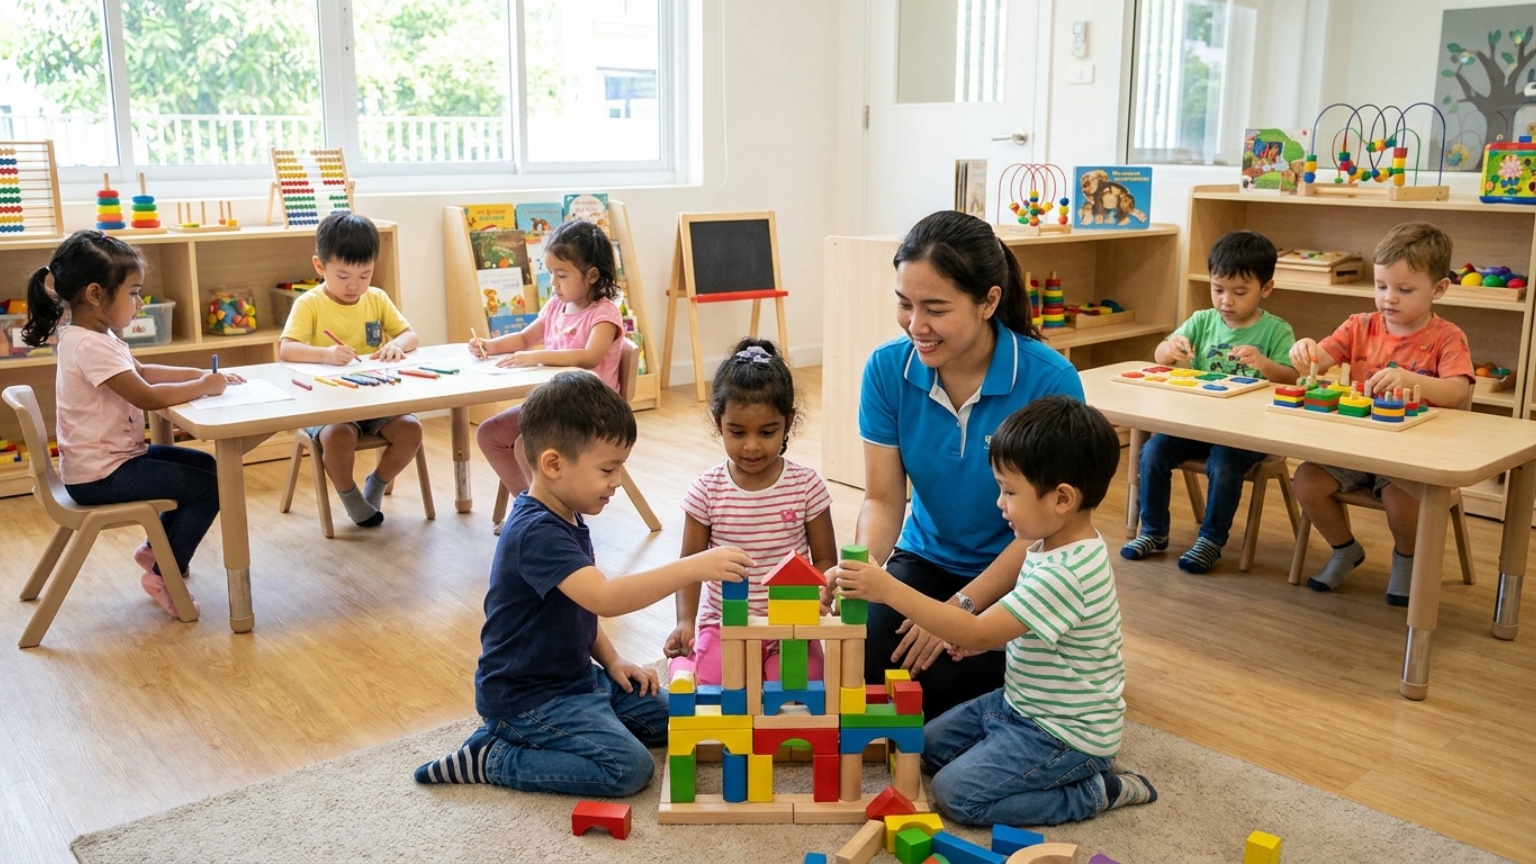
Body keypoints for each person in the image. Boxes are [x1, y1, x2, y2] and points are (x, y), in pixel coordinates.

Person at [413, 371, 751, 796]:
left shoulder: (568, 512)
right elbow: (604, 598)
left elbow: (581, 611)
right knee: (627, 769)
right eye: (608, 469)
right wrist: (694, 566)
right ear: (553, 464)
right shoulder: (536, 531)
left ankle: (588, 713)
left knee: (680, 719)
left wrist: (612, 662)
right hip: (528, 701)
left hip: (577, 679)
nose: (617, 481)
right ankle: (494, 757)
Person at [834, 396, 1156, 826]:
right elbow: (1015, 625)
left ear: (1062, 499)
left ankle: (1094, 789)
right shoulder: (1049, 543)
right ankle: (1071, 767)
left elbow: (979, 632)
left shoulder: (1067, 572)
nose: (1000, 504)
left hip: (1063, 732)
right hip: (1022, 703)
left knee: (957, 796)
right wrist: (980, 638)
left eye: (1009, 492)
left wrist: (889, 589)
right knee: (923, 745)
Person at [852, 209, 1085, 721]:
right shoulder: (888, 369)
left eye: (935, 308)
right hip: (928, 561)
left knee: (933, 693)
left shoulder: (1049, 380)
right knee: (864, 664)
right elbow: (883, 499)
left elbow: (1045, 531)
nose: (916, 325)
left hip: (1022, 571)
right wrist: (865, 568)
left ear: (989, 302)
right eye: (904, 304)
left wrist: (961, 610)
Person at [21, 230, 240, 617]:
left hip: (106, 463)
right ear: (95, 294)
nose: (140, 303)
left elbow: (144, 372)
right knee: (210, 487)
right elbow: (145, 395)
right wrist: (204, 387)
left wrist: (199, 373)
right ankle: (161, 573)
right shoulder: (91, 346)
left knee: (208, 467)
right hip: (101, 476)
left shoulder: (94, 335)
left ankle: (157, 549)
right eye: (134, 292)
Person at [1286, 221, 1475, 606]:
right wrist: (1304, 349)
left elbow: (1458, 392)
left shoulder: (1447, 337)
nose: (1389, 298)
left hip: (1413, 455)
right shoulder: (1359, 325)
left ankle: (1406, 559)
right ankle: (1344, 550)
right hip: (1356, 447)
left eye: (1405, 290)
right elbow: (1317, 361)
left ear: (1439, 289)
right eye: (1381, 286)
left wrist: (1410, 379)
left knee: (1399, 500)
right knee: (1306, 481)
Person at [1122, 230, 1299, 573]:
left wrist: (1264, 364)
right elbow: (1159, 355)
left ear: (1266, 289)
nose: (1226, 301)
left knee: (1224, 461)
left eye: (1239, 292)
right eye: (1218, 289)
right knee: (1153, 451)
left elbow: (1292, 378)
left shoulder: (1276, 331)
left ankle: (1211, 539)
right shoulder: (1203, 320)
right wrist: (1169, 350)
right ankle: (1154, 531)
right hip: (1197, 423)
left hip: (1247, 433)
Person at [663, 337, 837, 685]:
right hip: (728, 621)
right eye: (737, 432)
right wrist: (685, 621)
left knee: (802, 686)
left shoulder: (806, 486)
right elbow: (688, 567)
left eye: (768, 431)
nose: (752, 445)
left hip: (790, 621)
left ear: (788, 423)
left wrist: (819, 594)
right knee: (719, 685)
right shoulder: (706, 491)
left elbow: (824, 561)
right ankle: (686, 665)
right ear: (718, 423)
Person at [279, 212, 421, 528]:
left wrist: (397, 344)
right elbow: (286, 349)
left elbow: (410, 334)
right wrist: (325, 354)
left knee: (411, 430)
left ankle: (377, 484)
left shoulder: (377, 298)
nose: (354, 286)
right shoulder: (310, 304)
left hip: (375, 398)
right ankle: (350, 495)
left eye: (365, 275)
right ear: (320, 266)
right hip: (328, 405)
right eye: (343, 277)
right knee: (339, 437)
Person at [469, 219, 625, 504]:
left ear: (591, 275)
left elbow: (589, 358)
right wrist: (490, 346)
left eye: (562, 275)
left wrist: (538, 356)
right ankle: (528, 504)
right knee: (489, 434)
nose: (553, 282)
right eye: (551, 272)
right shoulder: (555, 306)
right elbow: (524, 338)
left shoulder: (604, 313)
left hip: (591, 414)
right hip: (554, 405)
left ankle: (545, 512)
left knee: (524, 446)